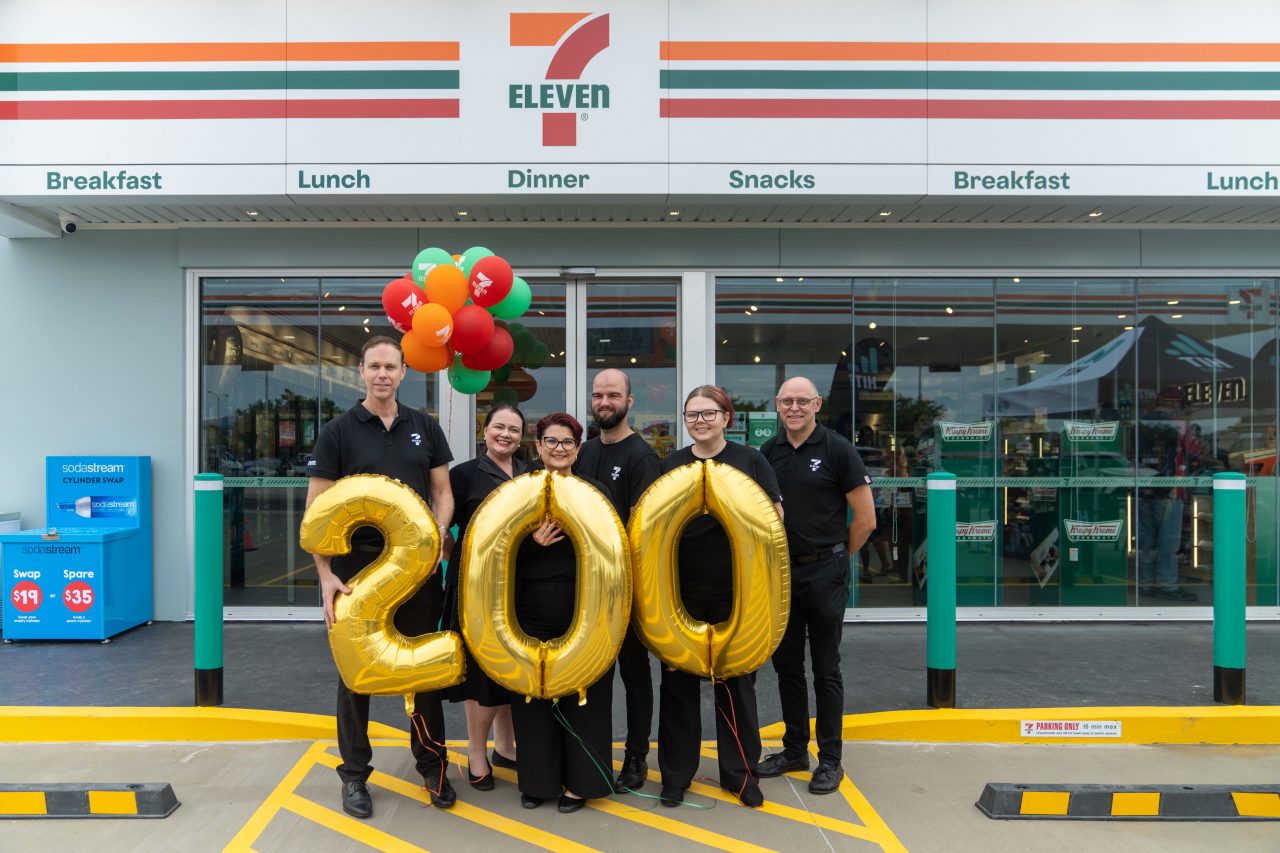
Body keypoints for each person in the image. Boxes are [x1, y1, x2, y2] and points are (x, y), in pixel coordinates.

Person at [303, 335, 457, 819]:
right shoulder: (339, 432)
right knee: (356, 678)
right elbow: (316, 511)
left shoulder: (425, 427)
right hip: (356, 570)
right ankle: (354, 777)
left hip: (414, 570)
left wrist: (434, 536)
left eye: (391, 366)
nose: (383, 374)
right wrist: (325, 575)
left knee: (425, 668)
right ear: (361, 372)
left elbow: (443, 493)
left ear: (404, 371)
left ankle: (432, 766)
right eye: (374, 366)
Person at [657, 386, 783, 809]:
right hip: (681, 591)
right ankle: (676, 776)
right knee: (677, 688)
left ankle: (740, 774)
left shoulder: (750, 460)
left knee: (736, 686)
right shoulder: (673, 464)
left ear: (726, 417)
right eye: (692, 414)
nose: (700, 421)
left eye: (708, 413)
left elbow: (775, 518)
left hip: (737, 594)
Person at [756, 377, 875, 795]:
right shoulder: (767, 453)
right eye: (786, 401)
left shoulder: (837, 449)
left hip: (825, 571)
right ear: (777, 405)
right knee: (787, 666)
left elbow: (865, 519)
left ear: (817, 404)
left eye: (801, 401)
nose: (793, 407)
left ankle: (830, 759)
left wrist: (838, 559)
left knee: (826, 669)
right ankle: (793, 751)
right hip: (782, 576)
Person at [510, 412, 616, 814]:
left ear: (578, 448)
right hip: (530, 608)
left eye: (567, 442)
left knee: (585, 696)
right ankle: (538, 782)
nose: (558, 449)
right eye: (551, 442)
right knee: (532, 695)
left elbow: (614, 552)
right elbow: (497, 555)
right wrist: (531, 541)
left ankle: (582, 784)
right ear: (537, 447)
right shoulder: (519, 492)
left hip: (586, 606)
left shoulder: (596, 491)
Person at [574, 369, 661, 791]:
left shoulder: (642, 457)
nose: (604, 402)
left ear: (630, 401)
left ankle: (637, 757)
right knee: (591, 675)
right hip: (586, 591)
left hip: (626, 589)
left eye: (613, 395)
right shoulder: (583, 452)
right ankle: (592, 755)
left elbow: (644, 531)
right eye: (598, 395)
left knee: (634, 674)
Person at [442, 404, 530, 790]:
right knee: (480, 673)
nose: (506, 434)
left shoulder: (531, 473)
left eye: (513, 429)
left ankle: (507, 748)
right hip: (475, 589)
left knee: (512, 667)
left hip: (519, 585)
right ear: (485, 429)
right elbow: (446, 531)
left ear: (522, 436)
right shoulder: (463, 475)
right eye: (499, 427)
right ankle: (477, 752)